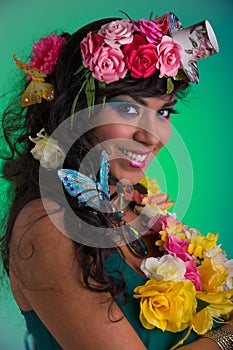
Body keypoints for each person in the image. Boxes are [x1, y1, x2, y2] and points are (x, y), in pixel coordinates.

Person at [1, 11, 233, 350]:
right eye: (127, 109)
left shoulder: (132, 199)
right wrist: (227, 336)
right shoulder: (47, 227)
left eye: (164, 112)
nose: (151, 137)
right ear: (75, 113)